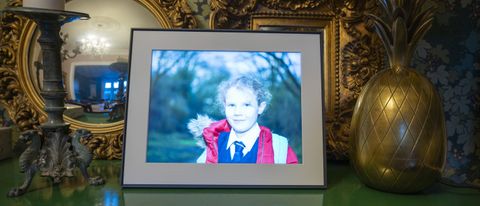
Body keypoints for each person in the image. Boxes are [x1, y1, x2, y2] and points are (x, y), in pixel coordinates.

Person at [193, 75, 298, 164]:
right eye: (231, 105)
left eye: (247, 105)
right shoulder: (213, 145)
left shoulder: (279, 148)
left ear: (260, 107)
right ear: (224, 107)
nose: (238, 112)